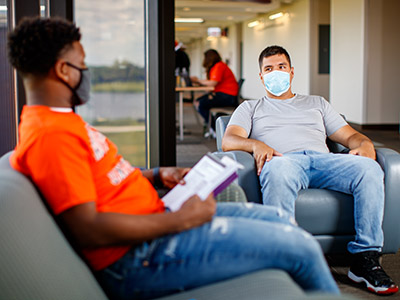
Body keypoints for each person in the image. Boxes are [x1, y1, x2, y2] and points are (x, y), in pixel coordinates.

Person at [7, 18, 340, 300]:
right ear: (64, 71)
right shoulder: (50, 135)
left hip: (153, 223)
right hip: (140, 256)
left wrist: (154, 174)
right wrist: (181, 220)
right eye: (83, 65)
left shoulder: (61, 120)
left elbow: (97, 178)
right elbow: (89, 230)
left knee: (278, 221)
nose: (87, 73)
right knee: (301, 246)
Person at [221, 45, 398, 295]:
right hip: (284, 160)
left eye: (281, 67)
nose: (276, 73)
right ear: (261, 77)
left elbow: (351, 137)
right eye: (268, 69)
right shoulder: (251, 108)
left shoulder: (317, 103)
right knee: (277, 170)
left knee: (368, 168)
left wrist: (365, 144)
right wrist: (256, 144)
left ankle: (364, 259)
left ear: (292, 72)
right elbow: (229, 141)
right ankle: (285, 258)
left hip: (324, 161)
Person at [191, 49, 239, 136]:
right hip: (223, 94)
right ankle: (212, 125)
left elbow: (212, 83)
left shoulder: (219, 66)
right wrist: (199, 82)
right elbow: (210, 86)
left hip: (228, 97)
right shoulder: (217, 66)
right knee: (198, 101)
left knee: (201, 103)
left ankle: (215, 129)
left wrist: (198, 81)